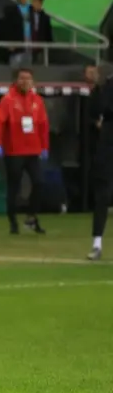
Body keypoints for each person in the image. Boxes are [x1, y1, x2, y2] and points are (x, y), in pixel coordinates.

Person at [0, 68, 49, 236]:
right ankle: (13, 222)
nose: (25, 82)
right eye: (22, 78)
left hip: (33, 150)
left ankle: (31, 217)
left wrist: (45, 147)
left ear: (33, 81)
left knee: (39, 182)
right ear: (16, 81)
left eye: (28, 79)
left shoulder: (37, 100)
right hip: (14, 151)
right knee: (14, 187)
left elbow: (43, 125)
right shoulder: (8, 100)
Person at [88, 67, 113, 260]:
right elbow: (97, 109)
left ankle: (97, 243)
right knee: (102, 193)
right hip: (108, 144)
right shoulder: (107, 86)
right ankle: (97, 243)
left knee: (103, 194)